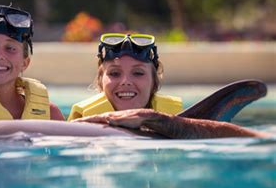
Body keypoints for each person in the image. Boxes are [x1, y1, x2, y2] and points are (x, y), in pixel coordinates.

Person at [69, 33, 266, 138]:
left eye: (138, 73)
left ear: (155, 82)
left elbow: (256, 138)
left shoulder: (183, 118)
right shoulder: (77, 126)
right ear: (100, 81)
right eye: (114, 73)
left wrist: (156, 120)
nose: (126, 81)